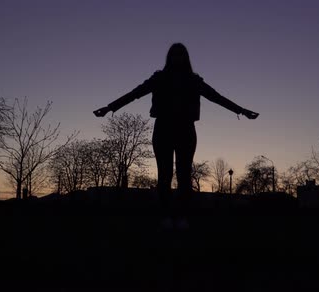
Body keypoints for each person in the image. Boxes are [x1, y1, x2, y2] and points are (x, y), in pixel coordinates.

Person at [94, 43, 258, 229]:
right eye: (174, 54)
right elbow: (135, 93)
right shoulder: (159, 78)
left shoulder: (194, 81)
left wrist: (241, 110)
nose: (177, 58)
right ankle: (166, 217)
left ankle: (182, 217)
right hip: (163, 129)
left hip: (186, 130)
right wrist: (110, 107)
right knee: (164, 175)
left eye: (181, 54)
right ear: (169, 57)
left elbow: (216, 97)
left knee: (184, 176)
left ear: (186, 58)